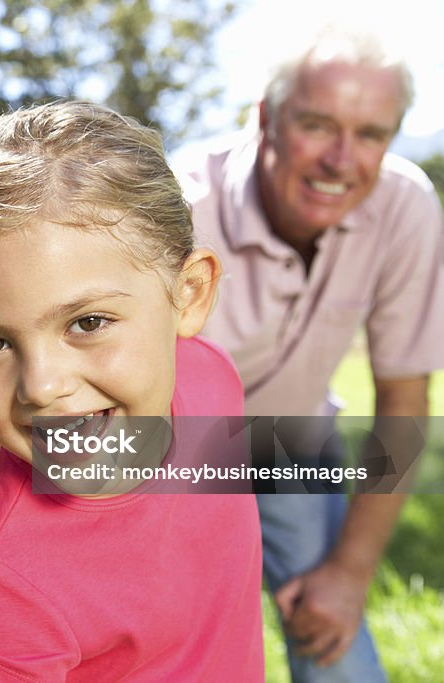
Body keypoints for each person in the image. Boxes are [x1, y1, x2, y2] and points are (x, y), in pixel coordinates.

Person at [0, 100, 264, 681]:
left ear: (191, 294)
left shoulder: (210, 378)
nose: (43, 387)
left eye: (88, 323)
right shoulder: (5, 583)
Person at [179, 28, 444, 682]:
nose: (341, 160)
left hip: (292, 439)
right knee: (169, 646)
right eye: (318, 126)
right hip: (167, 451)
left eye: (372, 134)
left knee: (335, 641)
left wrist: (349, 574)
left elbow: (406, 399)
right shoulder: (180, 206)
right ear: (267, 118)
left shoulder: (406, 206)